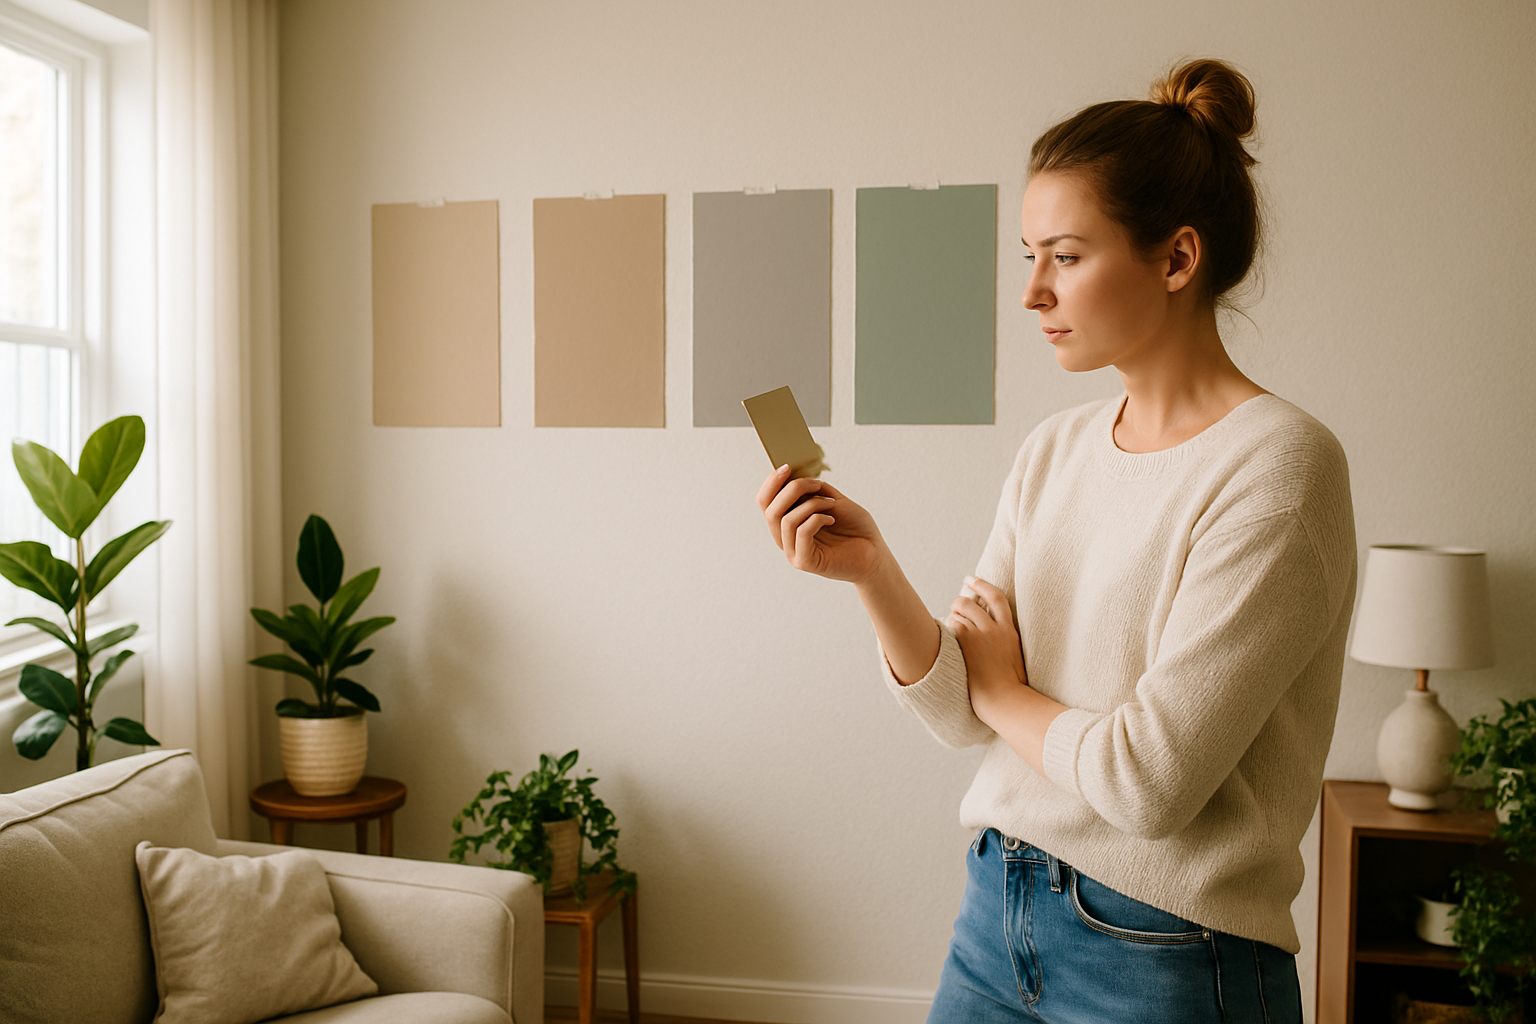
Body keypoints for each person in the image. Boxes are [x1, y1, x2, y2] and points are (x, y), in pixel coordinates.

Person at [756, 58, 1355, 1024]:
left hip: (1165, 951)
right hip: (998, 915)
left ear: (1175, 260)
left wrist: (1005, 689)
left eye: (1066, 257)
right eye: (1028, 255)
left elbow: (1148, 782)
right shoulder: (1056, 450)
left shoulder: (1280, 467)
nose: (1033, 291)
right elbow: (960, 714)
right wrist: (873, 573)